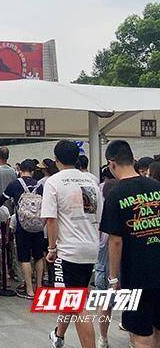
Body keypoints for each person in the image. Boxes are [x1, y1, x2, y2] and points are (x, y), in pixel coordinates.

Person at [41, 140, 102, 348]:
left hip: (70, 250)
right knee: (73, 294)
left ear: (56, 160)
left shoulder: (54, 182)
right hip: (91, 246)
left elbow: (51, 219)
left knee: (78, 304)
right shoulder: (91, 180)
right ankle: (58, 335)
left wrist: (52, 249)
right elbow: (98, 215)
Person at [100, 140, 160, 348]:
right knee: (157, 328)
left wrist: (113, 278)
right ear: (133, 160)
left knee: (139, 334)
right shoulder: (156, 187)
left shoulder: (115, 194)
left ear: (112, 163)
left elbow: (115, 241)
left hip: (136, 274)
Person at [0, 159, 45, 299]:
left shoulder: (14, 184)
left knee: (24, 258)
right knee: (38, 256)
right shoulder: (39, 185)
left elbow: (0, 201)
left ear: (20, 170)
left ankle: (29, 290)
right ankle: (39, 287)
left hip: (22, 227)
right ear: (33, 171)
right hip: (38, 226)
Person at [93, 179, 119, 348]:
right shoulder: (120, 211)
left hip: (102, 262)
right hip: (119, 261)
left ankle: (103, 338)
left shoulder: (98, 212)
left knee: (105, 303)